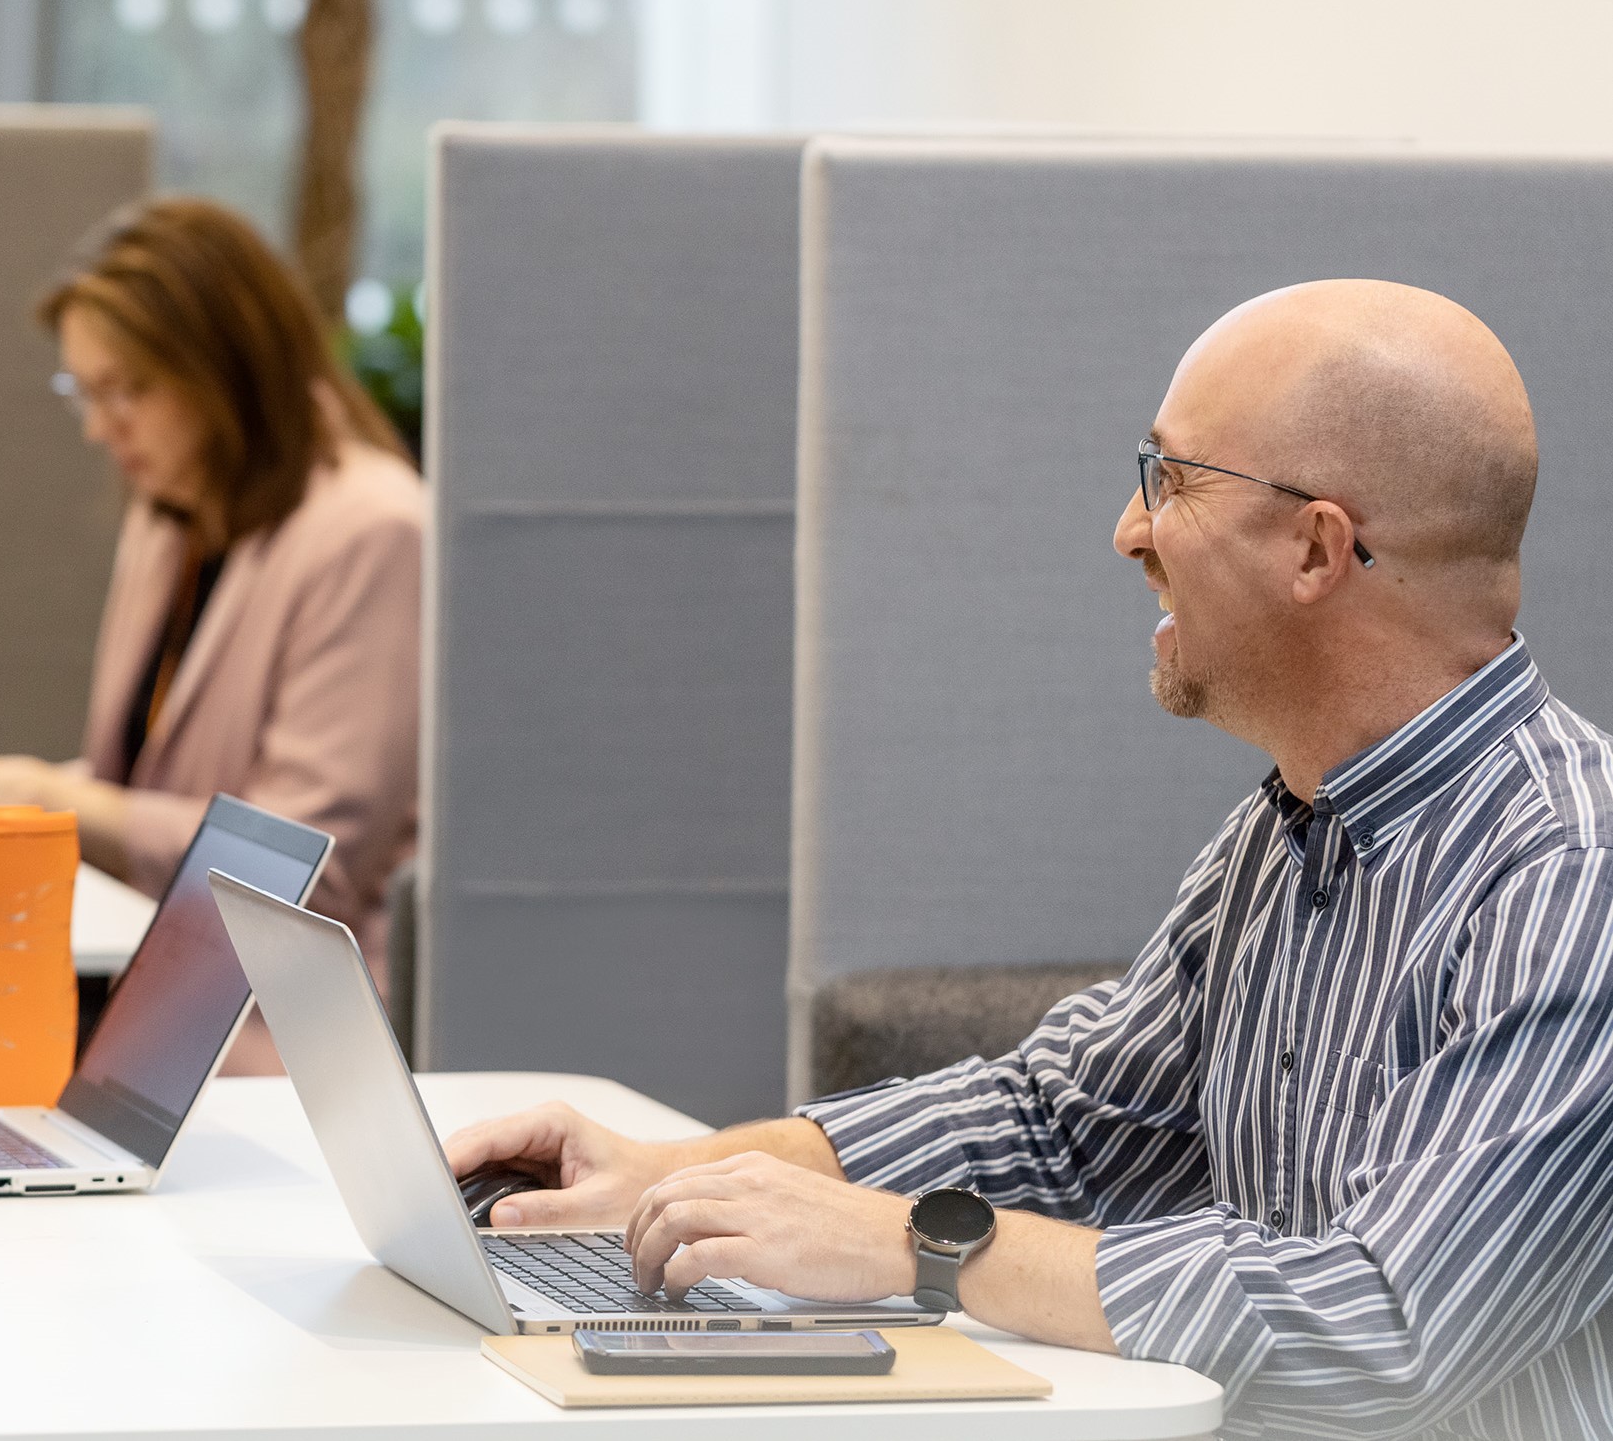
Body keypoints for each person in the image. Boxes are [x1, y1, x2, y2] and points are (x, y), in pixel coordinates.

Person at [446, 280, 1613, 1436]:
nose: (1128, 528)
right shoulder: (1286, 832)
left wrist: (917, 1245)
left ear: (1316, 548)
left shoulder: (1569, 880)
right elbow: (1064, 1124)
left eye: (1171, 479)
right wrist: (675, 1176)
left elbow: (1381, 1327)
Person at [0, 198, 422, 1062]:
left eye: (127, 390)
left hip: (259, 1029)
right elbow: (141, 785)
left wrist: (30, 785)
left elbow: (294, 868)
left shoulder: (372, 530)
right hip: (135, 978)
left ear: (230, 370)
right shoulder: (173, 512)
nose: (102, 428)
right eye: (84, 392)